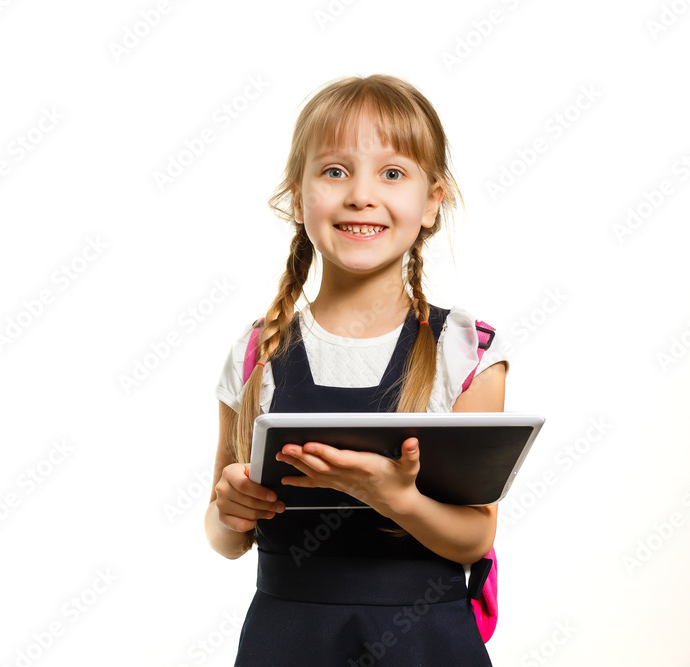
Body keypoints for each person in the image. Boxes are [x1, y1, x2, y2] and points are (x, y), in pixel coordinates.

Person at [205, 73, 510, 666]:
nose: (360, 195)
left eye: (392, 173)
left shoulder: (465, 351)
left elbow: (476, 536)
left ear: (431, 202)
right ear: (298, 196)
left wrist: (397, 500)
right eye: (335, 171)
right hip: (286, 641)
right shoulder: (256, 352)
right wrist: (228, 509)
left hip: (426, 643)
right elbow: (225, 539)